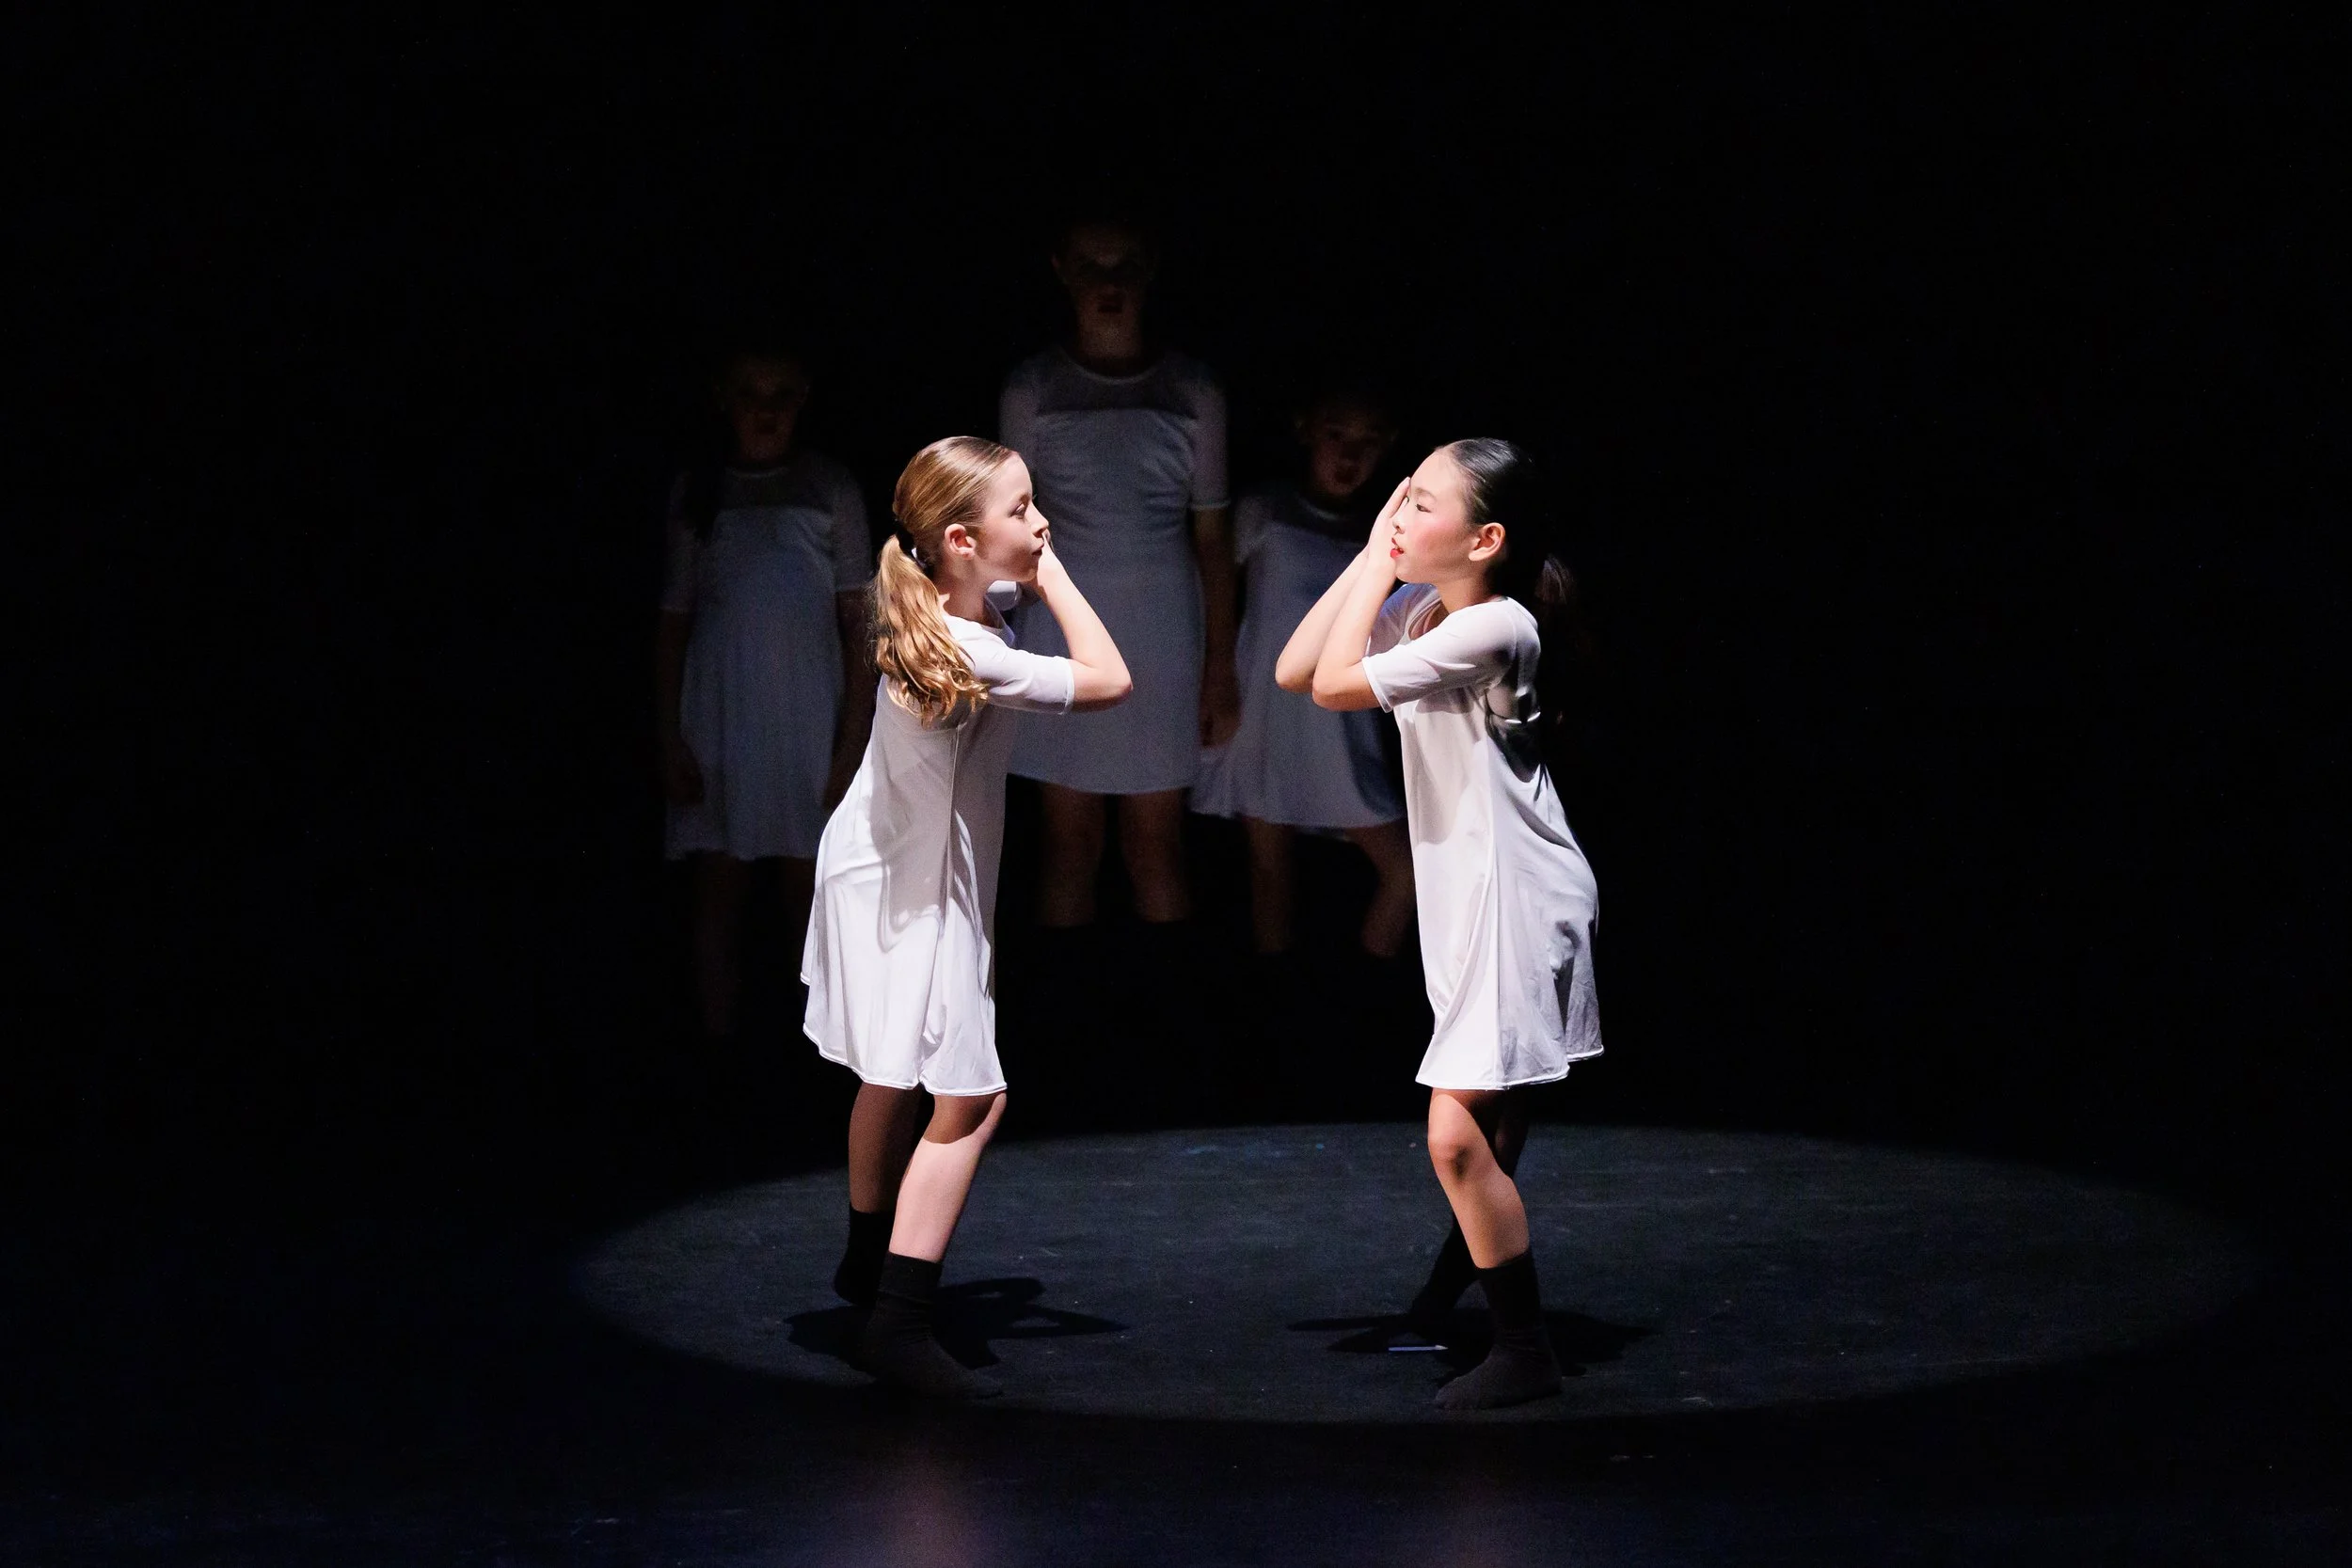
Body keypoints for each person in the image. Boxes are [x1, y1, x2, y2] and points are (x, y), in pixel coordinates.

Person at [803, 436, 1131, 1398]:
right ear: (958, 539)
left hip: (881, 869)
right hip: (912, 883)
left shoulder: (947, 608)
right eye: (1023, 509)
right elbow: (1109, 678)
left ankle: (867, 1266)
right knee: (970, 1097)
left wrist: (1021, 563)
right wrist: (1058, 571)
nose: (1039, 523)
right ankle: (896, 1316)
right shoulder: (970, 647)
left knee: (892, 1072)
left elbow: (1000, 592)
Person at [1277, 439, 1601, 1410]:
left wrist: (1377, 557)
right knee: (1488, 1128)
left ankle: (1523, 1345)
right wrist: (1381, 553)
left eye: (1420, 504)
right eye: (1400, 500)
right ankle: (1448, 1297)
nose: (1399, 515)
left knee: (1456, 1137)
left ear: (1485, 538)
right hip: (1471, 889)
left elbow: (1335, 685)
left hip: (1516, 894)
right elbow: (1300, 664)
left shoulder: (1496, 626)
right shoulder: (1432, 609)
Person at [998, 214, 1237, 927]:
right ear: (1062, 270)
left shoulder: (1194, 391)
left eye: (1124, 264)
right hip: (1060, 629)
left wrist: (1219, 667)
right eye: (1092, 265)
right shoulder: (1031, 388)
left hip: (1163, 636)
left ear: (1150, 269)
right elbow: (1007, 530)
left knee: (1155, 842)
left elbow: (1214, 538)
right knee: (1069, 842)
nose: (1109, 283)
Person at [655, 345, 873, 1040]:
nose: (767, 407)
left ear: (803, 395)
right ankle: (721, 1055)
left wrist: (853, 742)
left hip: (810, 719)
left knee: (807, 895)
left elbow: (860, 625)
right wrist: (668, 738)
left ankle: (813, 1052)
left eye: (782, 391)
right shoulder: (700, 489)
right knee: (719, 887)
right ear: (725, 396)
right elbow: (673, 623)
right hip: (722, 720)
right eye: (752, 391)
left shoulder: (829, 487)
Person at [1192, 387, 1414, 959]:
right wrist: (1215, 685)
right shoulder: (1265, 510)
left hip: (1341, 723)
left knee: (1406, 870)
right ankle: (1277, 1015)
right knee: (1269, 873)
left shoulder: (1386, 537)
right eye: (1338, 434)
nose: (1349, 455)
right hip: (1265, 711)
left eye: (1367, 443)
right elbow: (1216, 595)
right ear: (1306, 429)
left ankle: (1362, 989)